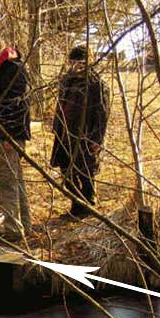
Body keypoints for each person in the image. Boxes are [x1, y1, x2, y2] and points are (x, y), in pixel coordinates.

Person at [50, 45, 110, 218]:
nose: (77, 66)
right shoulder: (67, 80)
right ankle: (76, 205)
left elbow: (102, 112)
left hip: (86, 135)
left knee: (86, 173)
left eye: (81, 62)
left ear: (89, 62)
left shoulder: (96, 83)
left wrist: (97, 140)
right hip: (64, 134)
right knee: (66, 172)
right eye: (74, 62)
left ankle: (87, 208)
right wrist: (57, 128)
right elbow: (60, 106)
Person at [0, 36, 32, 240]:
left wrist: (8, 136)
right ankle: (22, 226)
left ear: (3, 50)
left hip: (11, 134)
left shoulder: (14, 69)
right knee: (15, 179)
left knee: (4, 182)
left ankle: (13, 230)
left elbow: (19, 106)